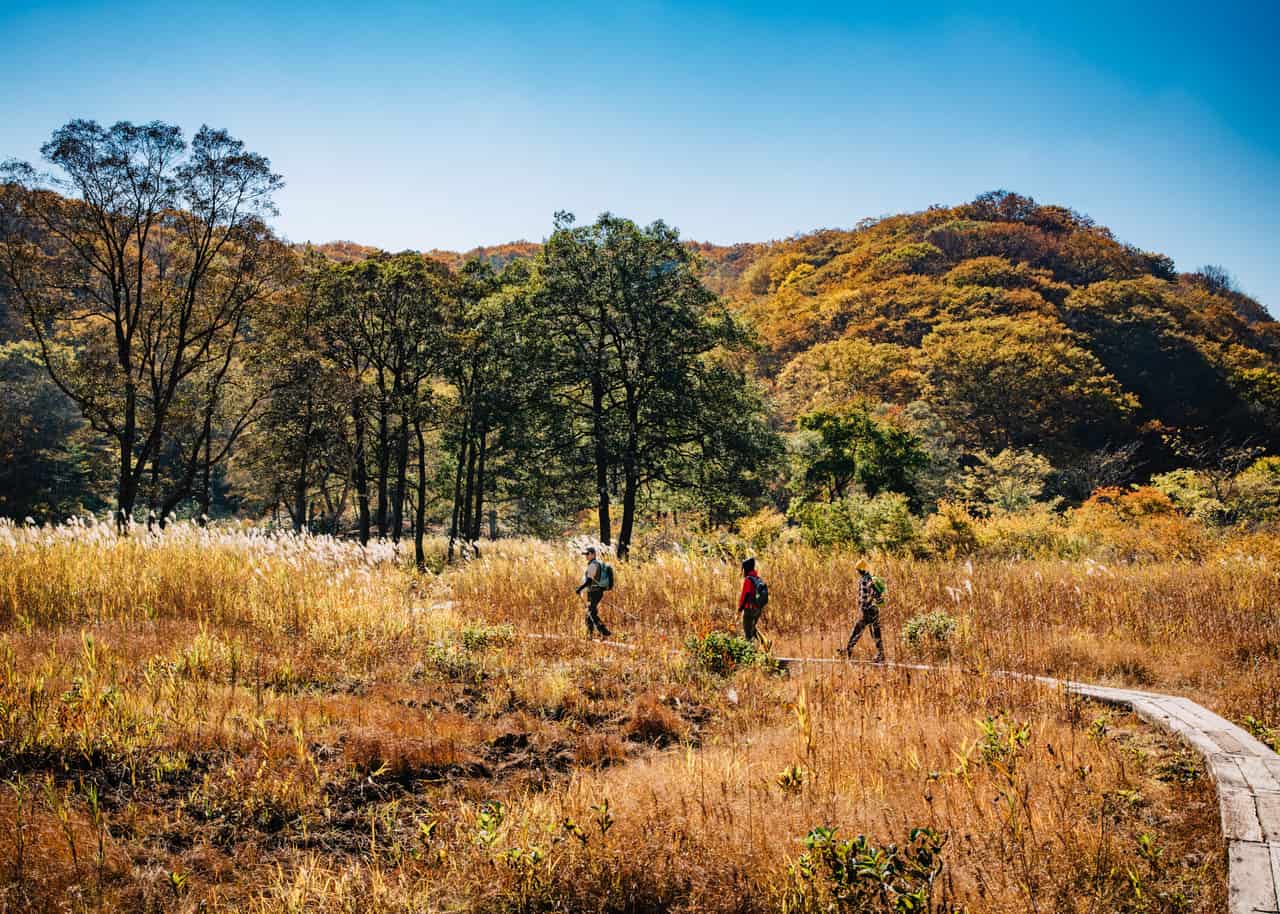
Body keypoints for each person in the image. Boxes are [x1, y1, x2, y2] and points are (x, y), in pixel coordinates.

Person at [843, 558, 885, 662]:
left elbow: (874, 593)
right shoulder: (869, 578)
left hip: (868, 609)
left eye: (858, 570)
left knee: (858, 629)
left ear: (861, 570)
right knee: (875, 632)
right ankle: (880, 654)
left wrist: (867, 603)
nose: (857, 571)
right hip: (872, 609)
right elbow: (875, 595)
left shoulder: (867, 579)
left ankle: (848, 649)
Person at [575, 546, 611, 638]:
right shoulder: (595, 564)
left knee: (591, 613)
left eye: (588, 554)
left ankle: (604, 632)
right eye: (585, 554)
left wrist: (579, 589)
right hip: (595, 591)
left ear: (593, 554)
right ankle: (590, 634)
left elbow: (589, 581)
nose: (586, 556)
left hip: (594, 592)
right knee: (590, 613)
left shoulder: (593, 565)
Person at [738, 557, 764, 641]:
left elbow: (746, 594)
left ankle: (749, 648)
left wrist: (741, 608)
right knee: (752, 628)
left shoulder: (748, 580)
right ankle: (765, 643)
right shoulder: (758, 578)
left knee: (748, 633)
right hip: (758, 608)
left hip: (749, 608)